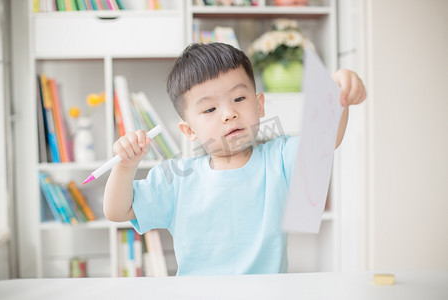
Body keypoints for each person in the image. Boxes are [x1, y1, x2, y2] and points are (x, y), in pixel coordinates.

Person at [103, 43, 366, 276]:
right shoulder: (176, 179)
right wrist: (126, 167)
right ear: (189, 131)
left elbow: (325, 138)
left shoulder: (279, 160)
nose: (229, 113)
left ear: (259, 105)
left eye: (239, 98)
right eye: (210, 109)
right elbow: (117, 211)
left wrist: (338, 91)